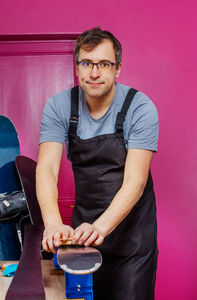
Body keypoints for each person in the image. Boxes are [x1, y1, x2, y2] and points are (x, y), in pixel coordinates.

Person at [36, 27, 159, 300]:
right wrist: (54, 223)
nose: (94, 72)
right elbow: (46, 169)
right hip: (84, 238)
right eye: (87, 63)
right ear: (77, 67)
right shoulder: (58, 106)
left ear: (117, 69)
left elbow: (136, 182)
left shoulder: (140, 107)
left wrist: (100, 228)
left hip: (133, 241)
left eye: (104, 64)